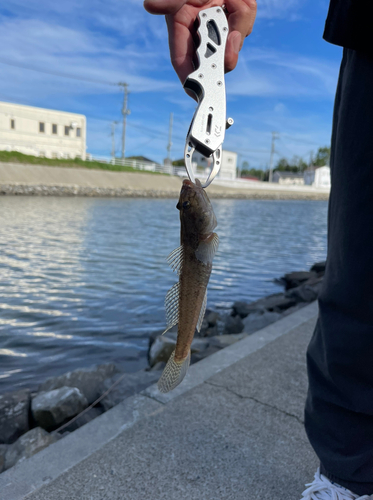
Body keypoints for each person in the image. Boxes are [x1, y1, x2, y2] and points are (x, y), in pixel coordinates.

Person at [143, 1, 373, 499]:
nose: (191, 200)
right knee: (359, 269)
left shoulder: (199, 226)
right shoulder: (198, 230)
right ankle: (349, 479)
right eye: (188, 205)